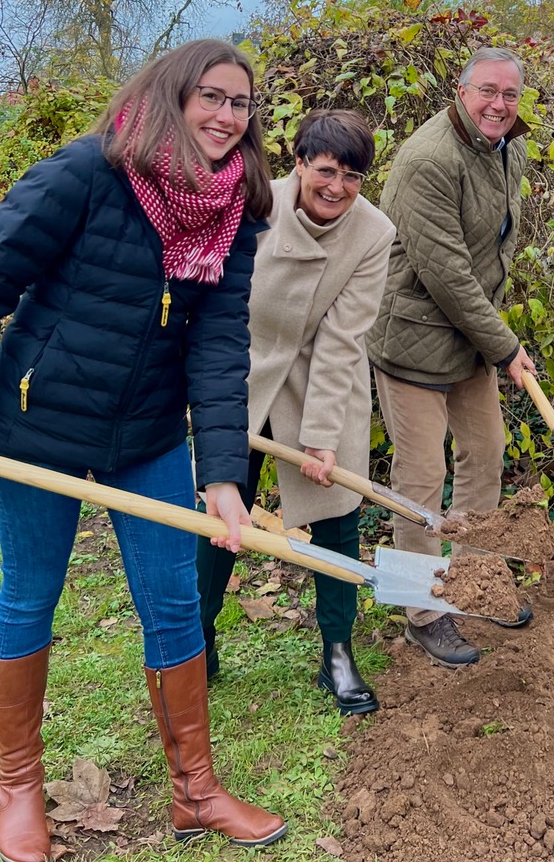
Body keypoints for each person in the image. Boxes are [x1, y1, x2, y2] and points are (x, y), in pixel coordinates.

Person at [0, 40, 289, 862]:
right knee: (32, 594)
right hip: (36, 423)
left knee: (174, 598)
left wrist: (219, 472)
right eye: (211, 97)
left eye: (241, 104)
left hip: (144, 429)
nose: (225, 116)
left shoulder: (235, 203)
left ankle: (195, 792)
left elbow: (217, 342)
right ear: (173, 96)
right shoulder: (86, 173)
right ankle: (20, 788)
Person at [196, 108, 395, 714]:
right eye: (327, 171)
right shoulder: (254, 204)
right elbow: (214, 299)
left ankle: (337, 650)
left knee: (337, 517)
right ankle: (196, 637)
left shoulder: (374, 233)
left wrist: (321, 436)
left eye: (352, 176)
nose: (337, 188)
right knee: (215, 508)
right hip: (242, 372)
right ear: (300, 163)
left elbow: (343, 339)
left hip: (321, 381)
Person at [366, 46, 537, 669]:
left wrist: (494, 341)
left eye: (510, 95)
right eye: (487, 92)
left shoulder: (507, 145)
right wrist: (507, 345)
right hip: (413, 338)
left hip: (469, 340)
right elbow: (447, 273)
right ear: (461, 91)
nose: (499, 105)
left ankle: (471, 582)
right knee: (419, 480)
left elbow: (495, 247)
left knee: (486, 456)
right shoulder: (427, 160)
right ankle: (422, 608)